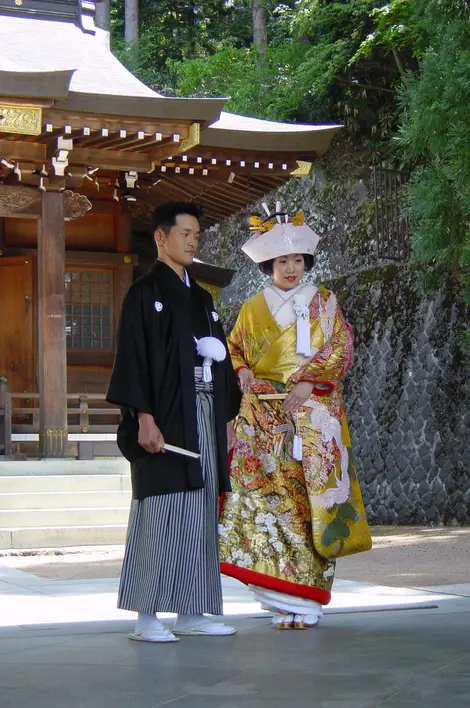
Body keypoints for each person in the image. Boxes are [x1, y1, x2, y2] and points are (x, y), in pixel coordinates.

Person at [219, 205, 371, 630]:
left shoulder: (324, 302)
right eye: (283, 260)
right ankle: (280, 597)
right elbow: (234, 350)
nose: (291, 267)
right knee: (270, 504)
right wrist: (245, 371)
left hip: (312, 414)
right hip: (265, 420)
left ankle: (307, 600)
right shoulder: (252, 307)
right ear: (269, 264)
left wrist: (310, 382)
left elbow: (341, 347)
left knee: (310, 507)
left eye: (298, 260)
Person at [107, 201, 241, 643]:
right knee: (160, 510)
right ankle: (147, 615)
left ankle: (191, 609)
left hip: (203, 412)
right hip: (163, 416)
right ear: (161, 238)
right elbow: (134, 358)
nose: (192, 241)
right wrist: (143, 416)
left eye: (197, 235)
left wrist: (225, 417)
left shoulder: (203, 299)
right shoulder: (144, 294)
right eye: (185, 233)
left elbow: (221, 364)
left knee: (199, 510)